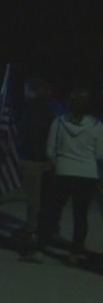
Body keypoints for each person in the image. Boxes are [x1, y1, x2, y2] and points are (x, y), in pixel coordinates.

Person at [39, 88, 103, 266]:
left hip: (63, 171)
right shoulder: (97, 126)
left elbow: (50, 149)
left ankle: (40, 248)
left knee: (52, 212)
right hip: (87, 174)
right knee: (80, 215)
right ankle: (75, 253)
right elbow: (100, 154)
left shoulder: (59, 122)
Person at [16, 77, 58, 256]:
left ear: (33, 92)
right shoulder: (50, 112)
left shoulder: (30, 111)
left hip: (32, 159)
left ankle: (31, 231)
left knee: (33, 198)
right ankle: (46, 229)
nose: (24, 93)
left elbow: (25, 135)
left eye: (26, 89)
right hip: (47, 160)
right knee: (45, 197)